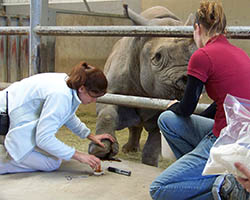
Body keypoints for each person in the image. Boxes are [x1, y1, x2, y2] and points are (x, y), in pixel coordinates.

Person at [150, 1, 250, 199]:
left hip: (226, 139)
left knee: (158, 189)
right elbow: (222, 102)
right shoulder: (240, 53)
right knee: (167, 120)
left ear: (197, 28)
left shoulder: (202, 55)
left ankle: (224, 185)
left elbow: (187, 108)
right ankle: (209, 173)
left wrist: (173, 105)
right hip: (244, 136)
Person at [0, 61, 115, 174]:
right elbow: (43, 138)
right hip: (4, 118)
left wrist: (89, 135)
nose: (94, 101)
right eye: (93, 96)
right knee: (52, 162)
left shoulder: (67, 83)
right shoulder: (61, 95)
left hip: (9, 112)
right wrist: (78, 155)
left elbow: (67, 115)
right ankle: (4, 162)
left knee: (54, 154)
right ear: (82, 88)